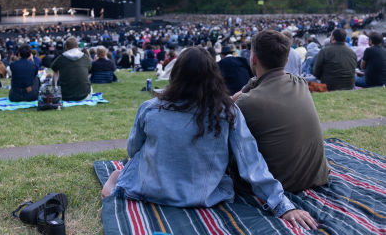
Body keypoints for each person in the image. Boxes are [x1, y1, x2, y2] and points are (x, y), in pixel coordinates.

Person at [102, 47, 317, 230]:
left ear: (175, 75)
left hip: (151, 190)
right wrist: (282, 204)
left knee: (132, 163)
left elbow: (133, 149)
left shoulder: (149, 108)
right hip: (204, 196)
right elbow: (251, 162)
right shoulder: (227, 112)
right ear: (214, 77)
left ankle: (115, 180)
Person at [234, 30, 329, 193]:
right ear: (286, 60)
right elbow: (259, 83)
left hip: (280, 184)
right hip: (315, 176)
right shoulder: (300, 84)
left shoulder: (248, 102)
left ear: (254, 58)